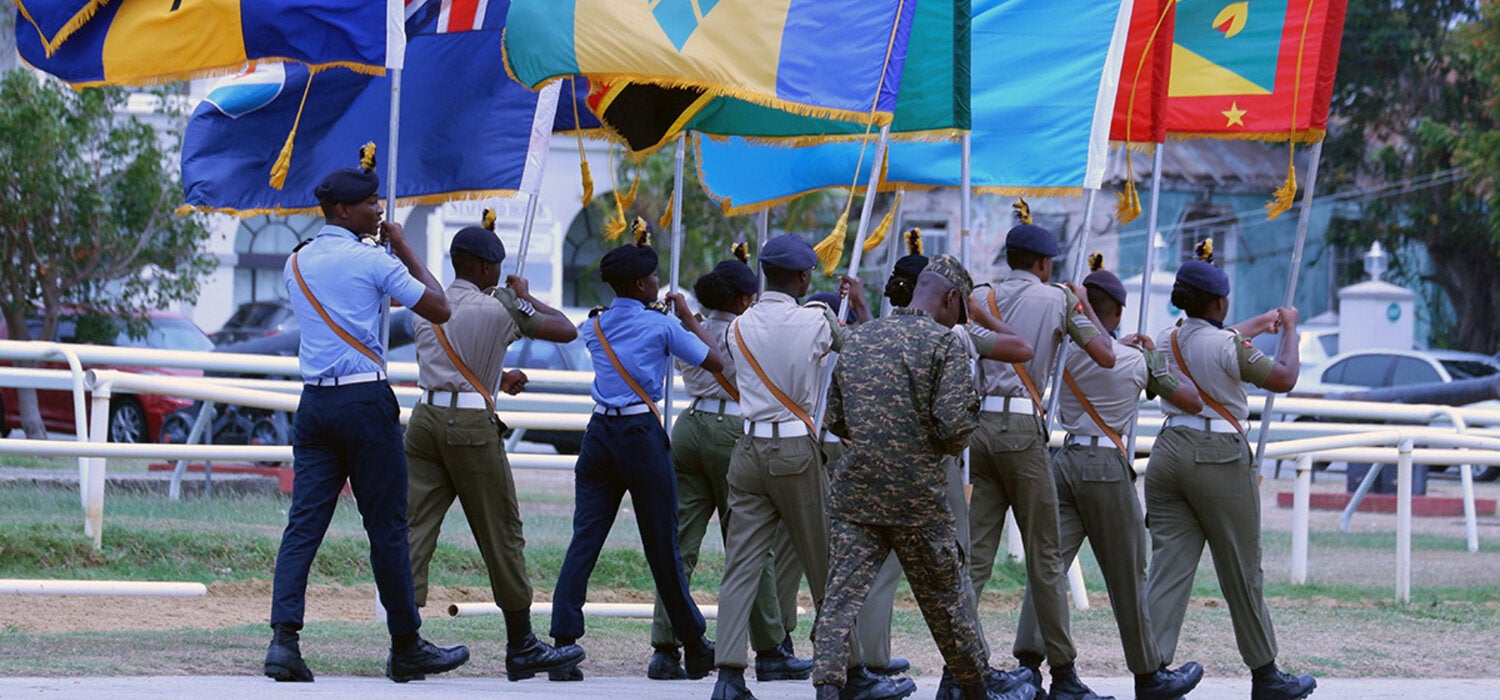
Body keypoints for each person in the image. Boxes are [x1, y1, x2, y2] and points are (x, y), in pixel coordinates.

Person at [266, 149, 469, 684]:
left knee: (304, 525)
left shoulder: (297, 260)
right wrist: (401, 247)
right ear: (340, 209)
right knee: (387, 527)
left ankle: (283, 641)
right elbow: (440, 307)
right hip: (363, 399)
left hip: (315, 404)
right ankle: (406, 646)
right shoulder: (375, 258)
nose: (377, 208)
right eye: (367, 202)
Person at [812, 255, 1034, 700]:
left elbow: (835, 418)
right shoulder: (944, 343)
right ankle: (975, 690)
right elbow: (953, 428)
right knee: (948, 603)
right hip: (919, 499)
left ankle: (827, 690)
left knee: (839, 599)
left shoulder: (857, 338)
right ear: (951, 298)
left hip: (856, 492)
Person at [712, 234, 915, 700]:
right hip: (795, 450)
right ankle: (848, 670)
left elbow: (728, 372)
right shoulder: (815, 320)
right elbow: (860, 351)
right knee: (826, 565)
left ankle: (727, 676)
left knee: (741, 565)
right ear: (804, 277)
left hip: (748, 449)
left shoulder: (737, 327)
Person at [1011, 253, 1206, 700]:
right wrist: (1154, 358)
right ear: (1116, 312)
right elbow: (1189, 400)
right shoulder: (1133, 360)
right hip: (1105, 467)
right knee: (1127, 575)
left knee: (1048, 569)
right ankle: (1148, 672)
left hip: (1063, 461)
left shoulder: (1064, 353)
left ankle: (1028, 664)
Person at [403, 211, 583, 682]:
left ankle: (404, 641)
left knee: (414, 529)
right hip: (469, 426)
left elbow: (452, 354)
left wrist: (496, 377)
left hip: (425, 419)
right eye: (497, 268)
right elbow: (565, 328)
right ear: (485, 269)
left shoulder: (430, 302)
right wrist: (525, 296)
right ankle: (521, 643)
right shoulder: (500, 305)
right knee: (501, 531)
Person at [549, 218, 721, 681]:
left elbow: (578, 328)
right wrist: (684, 316)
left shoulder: (595, 325)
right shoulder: (662, 325)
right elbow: (716, 360)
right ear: (642, 283)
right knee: (662, 545)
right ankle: (693, 642)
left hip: (599, 435)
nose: (659, 283)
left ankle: (563, 641)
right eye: (654, 278)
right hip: (640, 437)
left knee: (584, 538)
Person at [1145, 240, 1314, 700]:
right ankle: (1266, 674)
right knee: (1241, 568)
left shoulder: (1168, 337)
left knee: (1169, 565)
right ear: (1219, 302)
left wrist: (1256, 325)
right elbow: (1284, 378)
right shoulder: (1226, 344)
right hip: (1216, 454)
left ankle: (1151, 671)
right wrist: (1289, 330)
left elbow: (1211, 344)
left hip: (1168, 450)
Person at [967, 205, 1116, 700]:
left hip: (980, 430)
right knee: (1045, 557)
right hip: (1021, 430)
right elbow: (1106, 354)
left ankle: (959, 667)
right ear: (1045, 264)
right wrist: (1082, 301)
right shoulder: (1056, 299)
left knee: (976, 560)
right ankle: (1064, 675)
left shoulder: (980, 295)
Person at [646, 245, 810, 682]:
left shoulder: (689, 327)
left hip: (690, 423)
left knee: (679, 543)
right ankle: (771, 648)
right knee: (753, 546)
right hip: (733, 431)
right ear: (743, 300)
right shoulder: (746, 330)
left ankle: (665, 647)